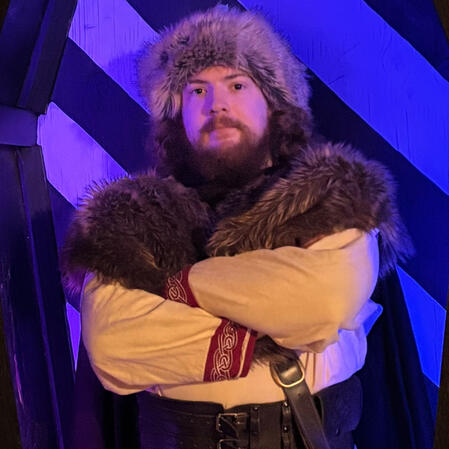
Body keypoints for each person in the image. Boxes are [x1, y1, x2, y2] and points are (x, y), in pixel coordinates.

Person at [63, 6, 432, 449]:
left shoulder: (332, 194)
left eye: (237, 85)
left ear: (274, 104)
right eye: (197, 91)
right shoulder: (131, 216)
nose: (216, 104)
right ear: (177, 118)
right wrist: (277, 321)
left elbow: (323, 301)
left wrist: (178, 288)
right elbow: (114, 344)